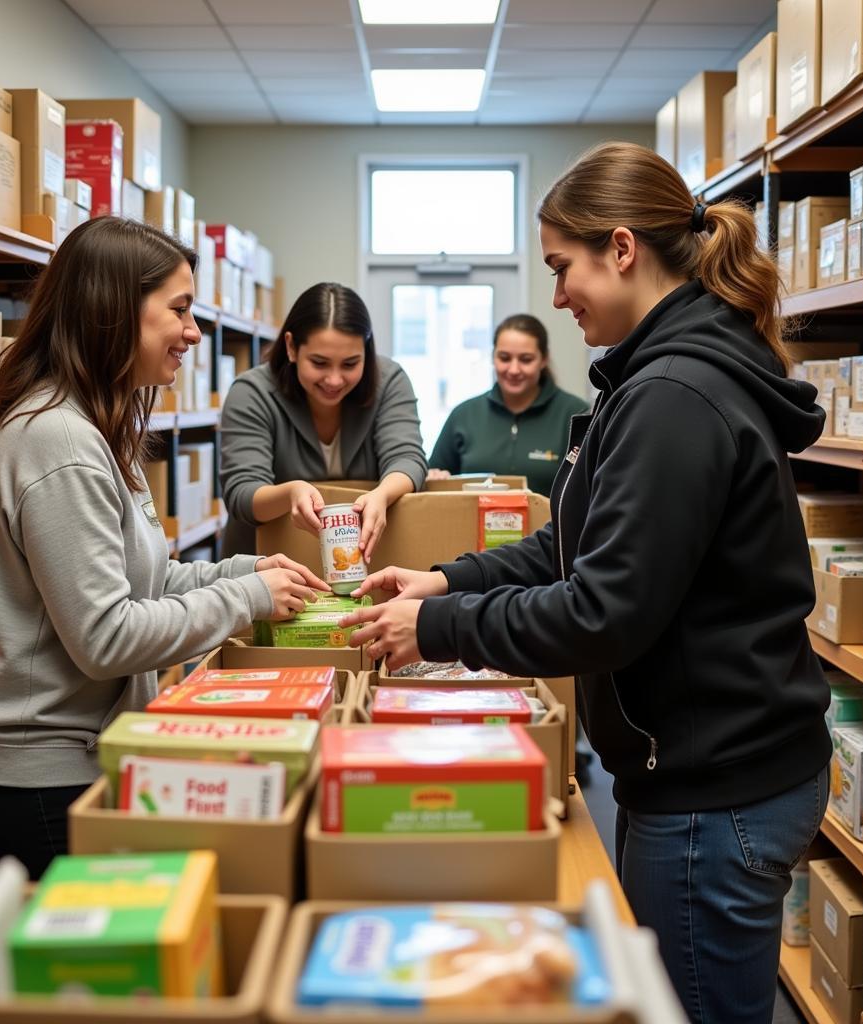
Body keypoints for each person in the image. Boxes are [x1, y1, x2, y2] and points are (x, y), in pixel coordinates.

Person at [341, 141, 830, 1024]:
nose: (557, 295)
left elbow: (606, 611)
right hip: (708, 769)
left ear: (621, 248)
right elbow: (569, 549)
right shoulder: (651, 379)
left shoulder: (674, 396)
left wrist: (441, 631)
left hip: (715, 790)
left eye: (563, 268)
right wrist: (442, 582)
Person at [0, 217, 327, 879]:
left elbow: (141, 584)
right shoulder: (61, 443)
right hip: (34, 779)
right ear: (114, 312)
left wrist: (245, 571)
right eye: (178, 309)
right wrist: (246, 598)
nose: (194, 332)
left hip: (72, 758)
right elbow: (107, 637)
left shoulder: (96, 428)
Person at [219, 282, 427, 560]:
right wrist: (290, 492)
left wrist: (383, 494)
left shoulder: (389, 381)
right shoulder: (251, 392)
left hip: (365, 563)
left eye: (351, 364)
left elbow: (407, 458)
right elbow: (242, 493)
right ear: (291, 347)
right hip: (268, 567)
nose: (334, 379)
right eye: (319, 363)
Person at [428, 314, 589, 495]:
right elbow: (434, 477)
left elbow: (589, 489)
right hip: (471, 523)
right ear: (493, 357)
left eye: (526, 359)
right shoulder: (464, 415)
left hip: (552, 524)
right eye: (504, 358)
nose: (513, 370)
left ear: (543, 359)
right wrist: (434, 477)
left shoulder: (577, 415)